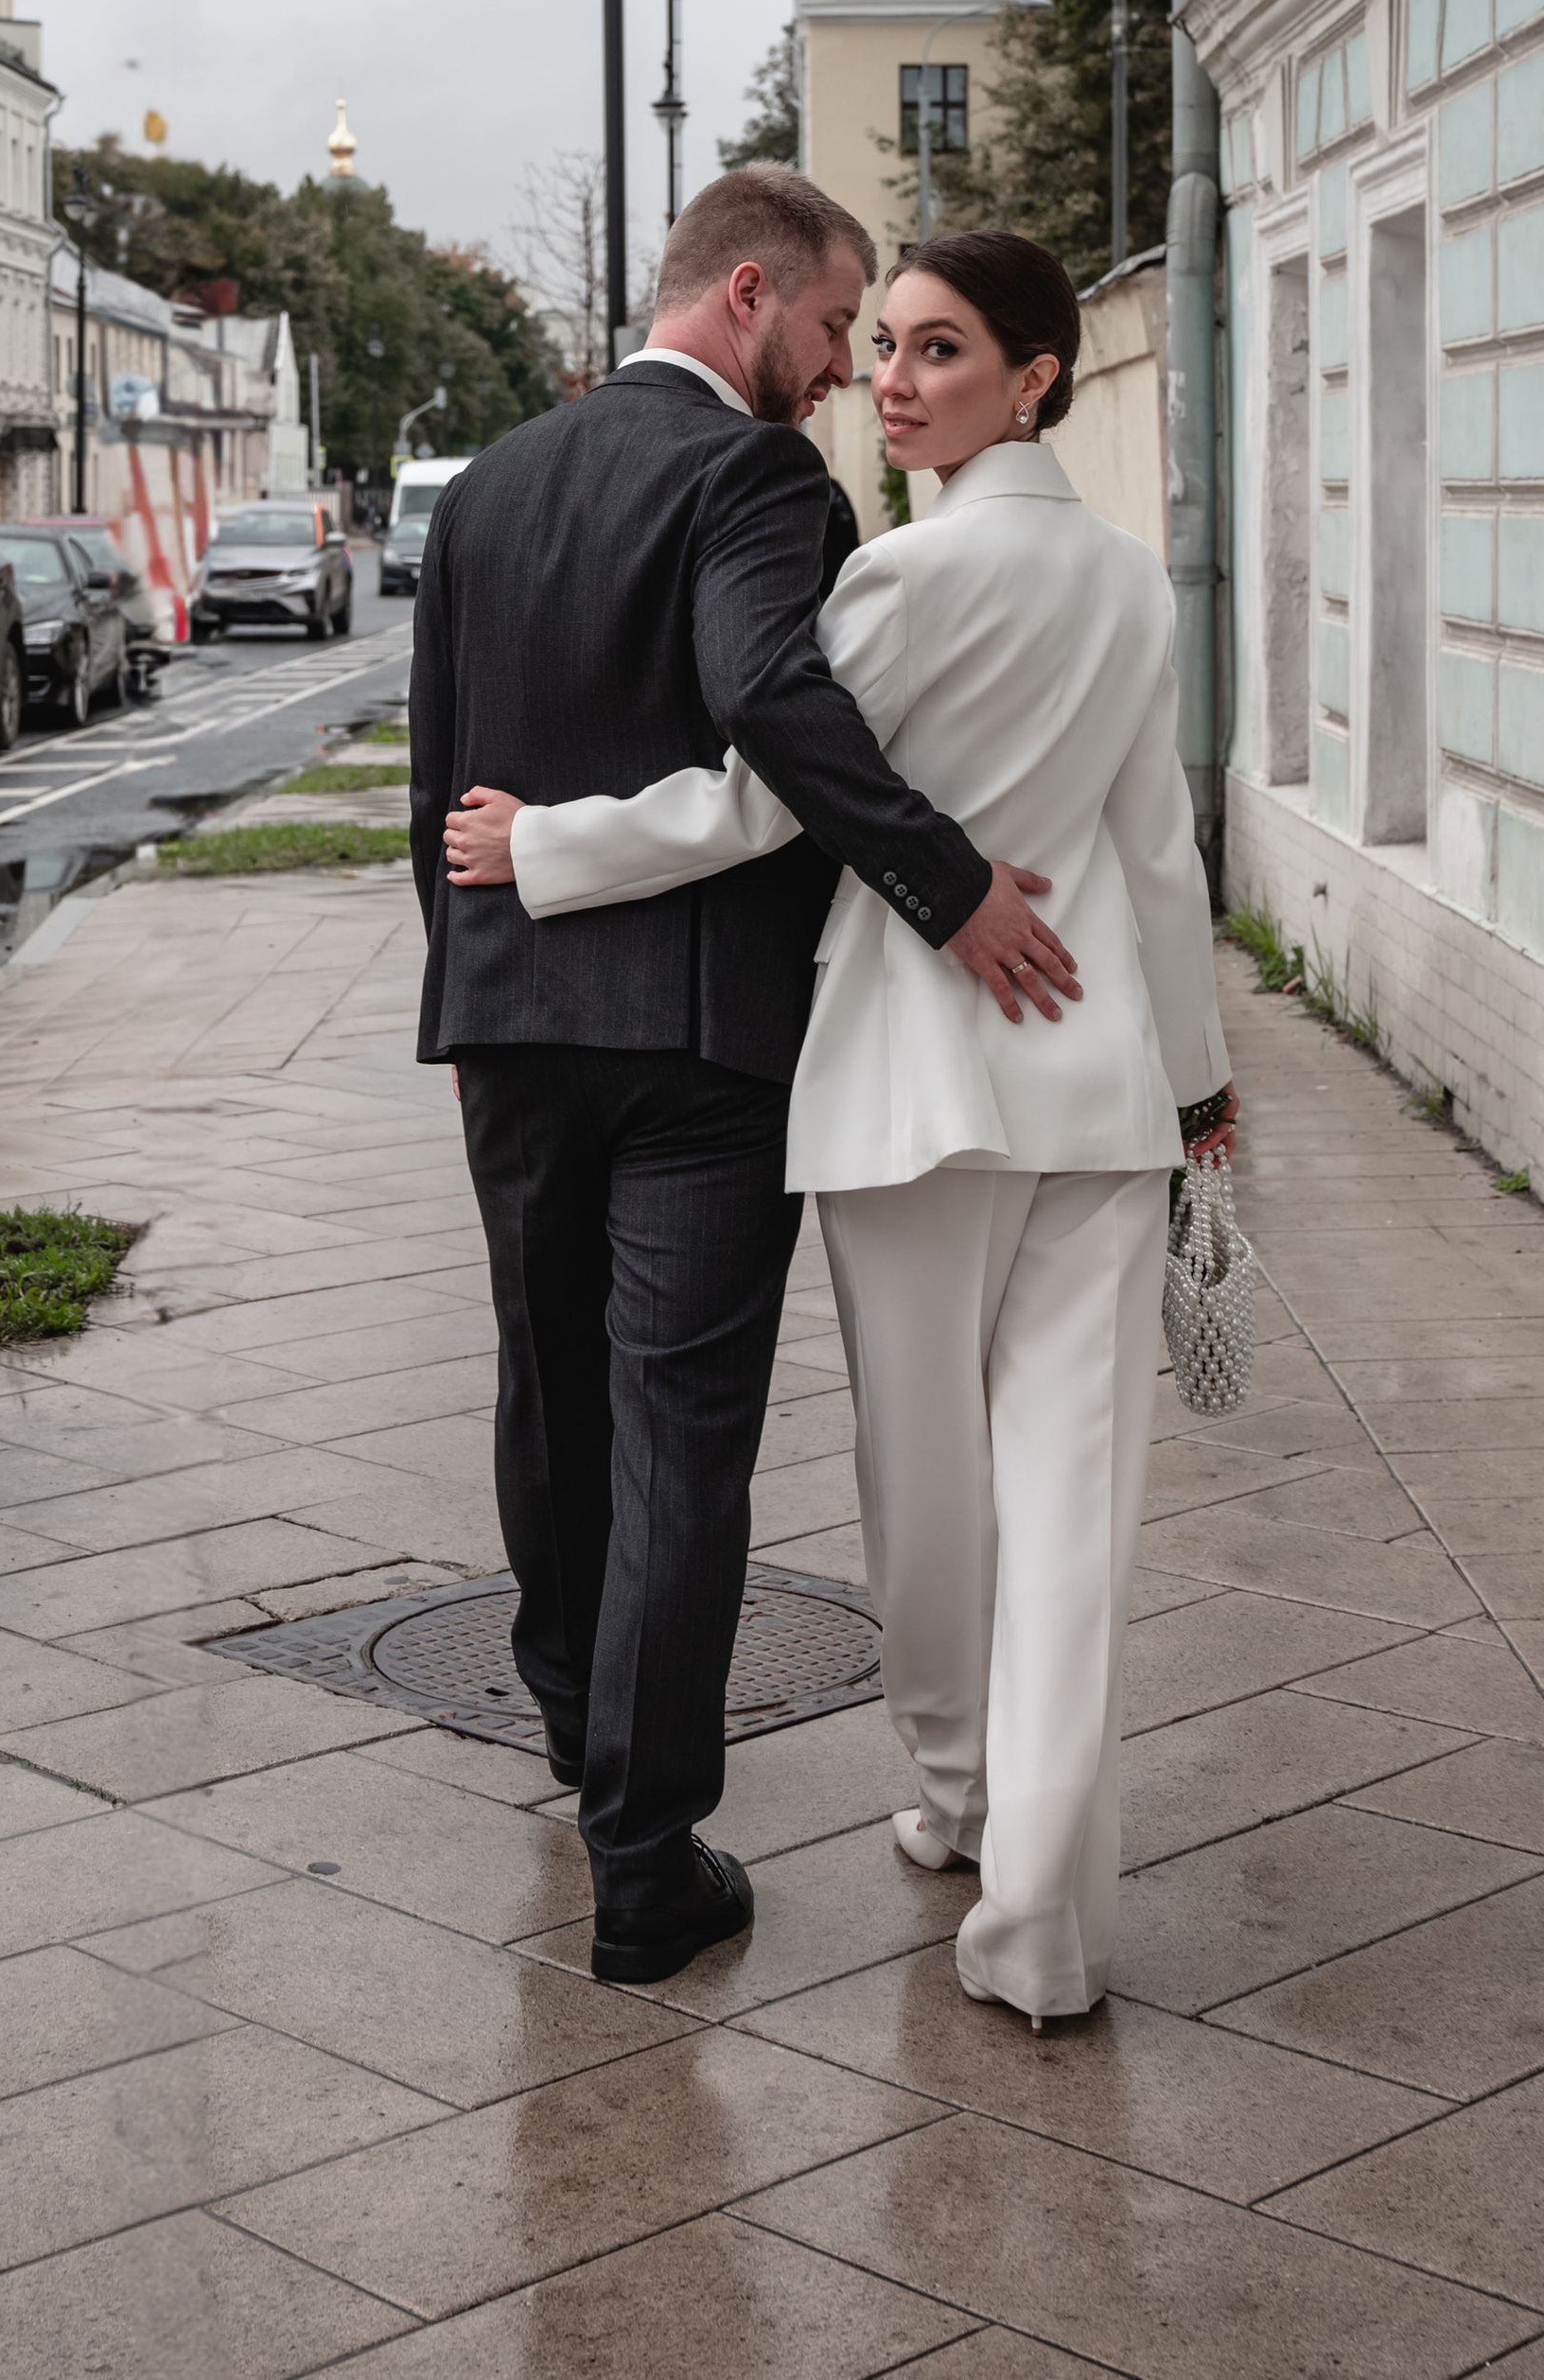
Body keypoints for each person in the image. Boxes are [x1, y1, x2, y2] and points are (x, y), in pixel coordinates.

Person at [445, 229, 1234, 2023]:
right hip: (1099, 1087)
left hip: (909, 1090)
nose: (886, 380)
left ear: (1035, 378)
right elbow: (1156, 858)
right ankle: (1040, 1918)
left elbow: (760, 803)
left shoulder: (892, 578)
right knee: (1078, 1506)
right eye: (880, 344)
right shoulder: (1132, 586)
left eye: (935, 350)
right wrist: (1196, 1084)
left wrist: (543, 846)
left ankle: (960, 1799)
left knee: (930, 1491)